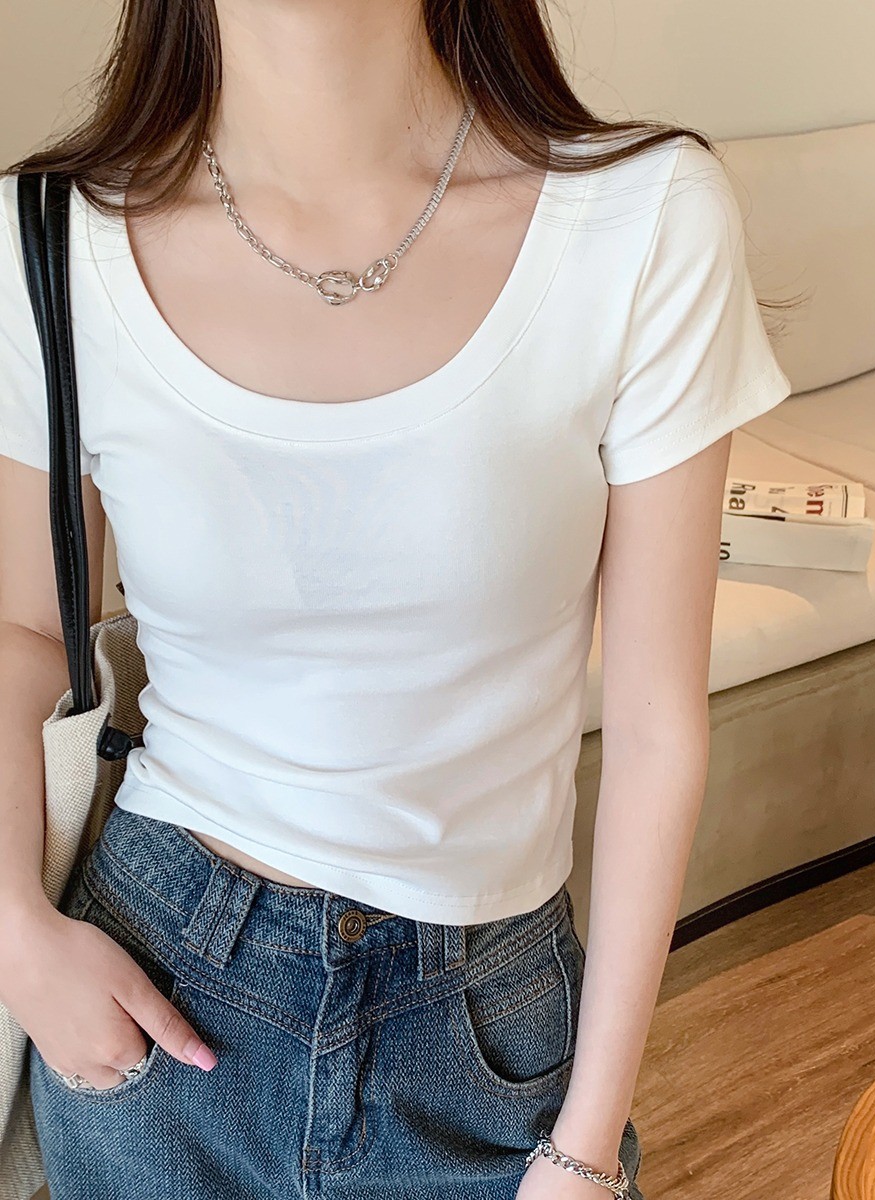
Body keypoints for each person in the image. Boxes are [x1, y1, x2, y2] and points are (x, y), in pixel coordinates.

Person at [0, 1, 792, 1197]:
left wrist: (585, 1144)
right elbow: (21, 634)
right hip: (152, 995)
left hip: (486, 1025)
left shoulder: (642, 218)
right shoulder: (48, 236)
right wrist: (17, 934)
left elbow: (654, 729)